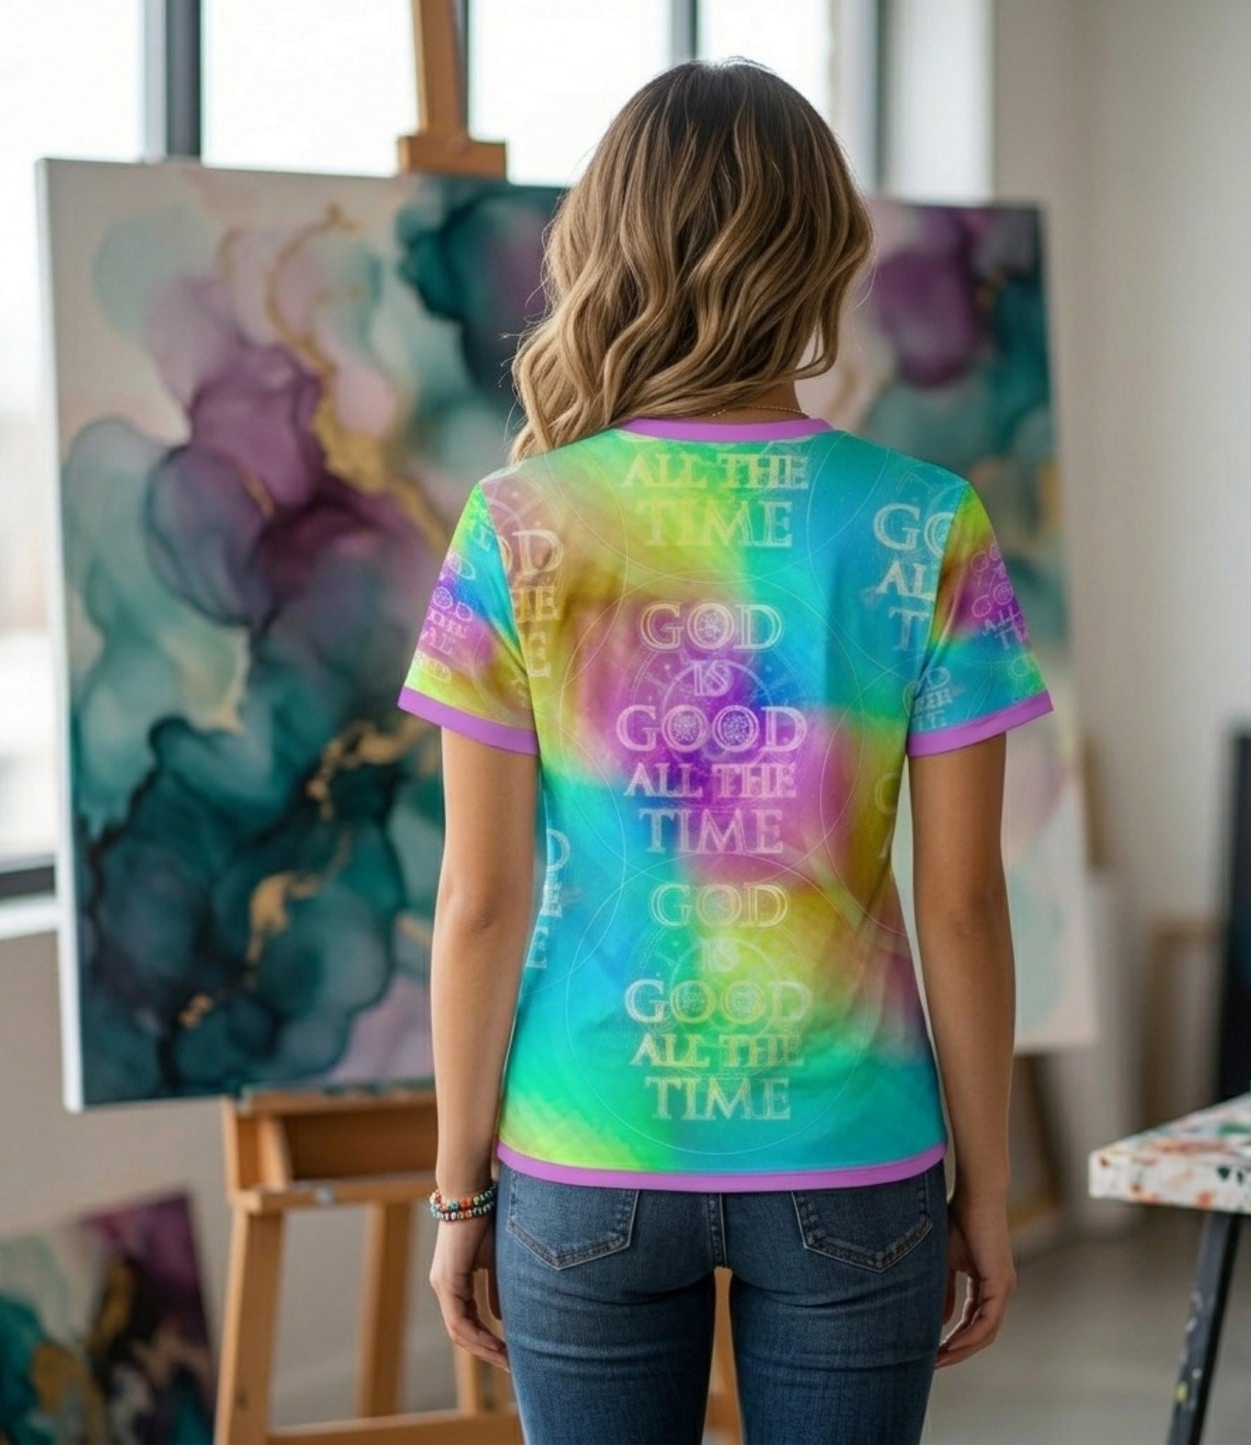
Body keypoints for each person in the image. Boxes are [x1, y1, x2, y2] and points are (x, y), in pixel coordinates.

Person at [398, 56, 1053, 1445]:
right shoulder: (926, 521)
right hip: (852, 1157)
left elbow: (479, 899)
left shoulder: (515, 524)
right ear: (820, 252)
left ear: (604, 248)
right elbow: (961, 901)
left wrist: (457, 1192)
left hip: (587, 1151)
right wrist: (987, 1189)